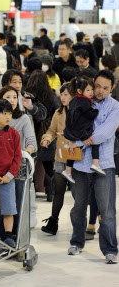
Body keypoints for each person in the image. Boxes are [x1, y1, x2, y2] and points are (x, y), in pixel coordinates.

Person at [67, 70, 119, 264]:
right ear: (93, 84)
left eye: (105, 88)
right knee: (78, 207)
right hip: (80, 164)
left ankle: (110, 249)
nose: (100, 91)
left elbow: (104, 133)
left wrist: (79, 142)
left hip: (104, 164)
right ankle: (76, 242)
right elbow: (71, 125)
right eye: (97, 86)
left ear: (112, 88)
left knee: (106, 211)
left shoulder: (115, 107)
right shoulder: (83, 100)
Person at [0, 86, 37, 234]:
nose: (12, 100)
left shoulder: (23, 119)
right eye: (8, 97)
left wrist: (21, 154)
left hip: (17, 169)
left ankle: (14, 237)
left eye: (15, 97)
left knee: (14, 206)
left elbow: (32, 143)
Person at [40, 83, 76, 234]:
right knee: (58, 190)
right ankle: (53, 222)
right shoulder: (58, 112)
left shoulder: (80, 112)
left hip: (77, 158)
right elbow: (52, 129)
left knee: (79, 194)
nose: (63, 97)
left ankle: (86, 223)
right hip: (61, 156)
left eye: (66, 94)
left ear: (74, 95)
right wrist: (47, 138)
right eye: (61, 94)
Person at [0, 99, 22, 247]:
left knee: (9, 208)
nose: (8, 117)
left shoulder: (14, 133)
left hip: (8, 178)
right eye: (4, 114)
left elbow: (17, 156)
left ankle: (8, 236)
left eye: (10, 113)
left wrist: (10, 175)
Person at [25, 70, 60, 201]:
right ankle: (50, 192)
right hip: (47, 133)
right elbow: (58, 112)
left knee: (30, 163)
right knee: (48, 166)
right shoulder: (51, 96)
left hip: (31, 131)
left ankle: (31, 190)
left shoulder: (27, 96)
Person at [62, 76, 105, 184]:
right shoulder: (85, 102)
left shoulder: (74, 100)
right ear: (80, 91)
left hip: (71, 130)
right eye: (88, 90)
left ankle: (68, 170)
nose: (91, 92)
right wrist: (95, 111)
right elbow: (89, 115)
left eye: (91, 89)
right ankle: (95, 163)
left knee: (73, 148)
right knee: (94, 141)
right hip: (81, 130)